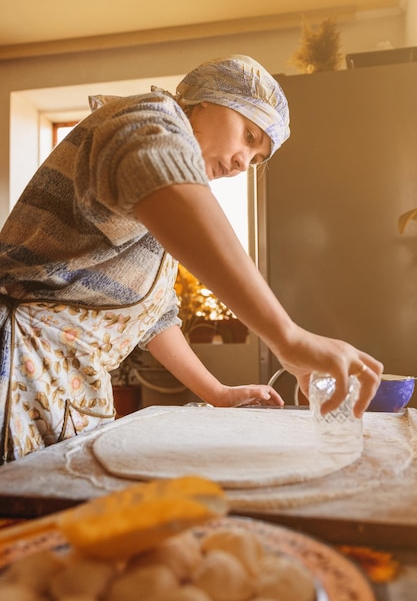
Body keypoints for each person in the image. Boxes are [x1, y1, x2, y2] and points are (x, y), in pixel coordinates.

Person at [0, 54, 382, 463]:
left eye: (255, 159)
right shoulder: (143, 118)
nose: (243, 164)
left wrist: (217, 393)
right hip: (14, 371)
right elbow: (162, 169)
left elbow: (155, 318)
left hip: (60, 389)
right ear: (205, 100)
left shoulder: (156, 213)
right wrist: (288, 339)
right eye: (249, 136)